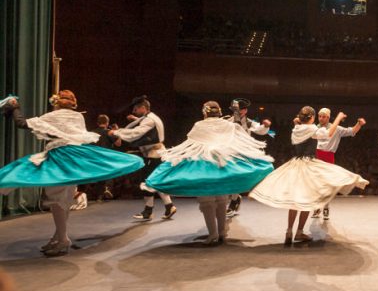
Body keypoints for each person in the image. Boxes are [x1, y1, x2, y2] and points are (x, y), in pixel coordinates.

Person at [0, 92, 144, 256]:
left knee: (56, 198)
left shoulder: (52, 115)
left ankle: (62, 239)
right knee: (65, 199)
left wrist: (15, 107)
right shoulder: (78, 117)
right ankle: (57, 237)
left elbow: (22, 123)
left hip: (61, 156)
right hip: (76, 157)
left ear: (57, 103)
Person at [143, 101, 274, 244]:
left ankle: (213, 234)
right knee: (222, 198)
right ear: (219, 112)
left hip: (204, 165)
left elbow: (190, 145)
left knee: (207, 200)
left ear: (205, 112)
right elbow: (237, 141)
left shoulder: (200, 125)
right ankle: (222, 232)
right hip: (224, 163)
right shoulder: (228, 124)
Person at [249, 107, 368, 245]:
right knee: (306, 199)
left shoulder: (296, 129)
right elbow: (329, 133)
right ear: (311, 118)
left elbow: (299, 125)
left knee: (294, 200)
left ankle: (289, 231)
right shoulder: (312, 129)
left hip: (295, 164)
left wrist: (298, 121)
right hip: (308, 164)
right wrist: (338, 117)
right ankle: (299, 231)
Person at [110, 95, 176, 221]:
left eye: (136, 109)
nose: (134, 111)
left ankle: (148, 211)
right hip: (156, 154)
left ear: (143, 108)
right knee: (155, 182)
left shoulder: (149, 120)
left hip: (153, 154)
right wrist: (135, 119)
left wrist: (116, 132)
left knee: (146, 182)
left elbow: (136, 133)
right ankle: (169, 206)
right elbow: (142, 124)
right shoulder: (151, 117)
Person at [311, 107, 366, 219]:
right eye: (320, 116)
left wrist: (359, 124)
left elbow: (352, 131)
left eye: (324, 116)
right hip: (317, 157)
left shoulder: (336, 128)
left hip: (328, 157)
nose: (321, 118)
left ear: (328, 117)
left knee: (328, 184)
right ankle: (317, 207)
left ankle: (325, 207)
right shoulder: (315, 128)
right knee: (317, 184)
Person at [223, 98, 272, 217]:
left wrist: (265, 126)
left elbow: (260, 130)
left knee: (236, 177)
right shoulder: (227, 121)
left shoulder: (249, 122)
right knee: (228, 177)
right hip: (229, 152)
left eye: (239, 110)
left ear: (245, 110)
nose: (237, 112)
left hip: (243, 153)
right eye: (235, 110)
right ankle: (233, 199)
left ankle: (234, 201)